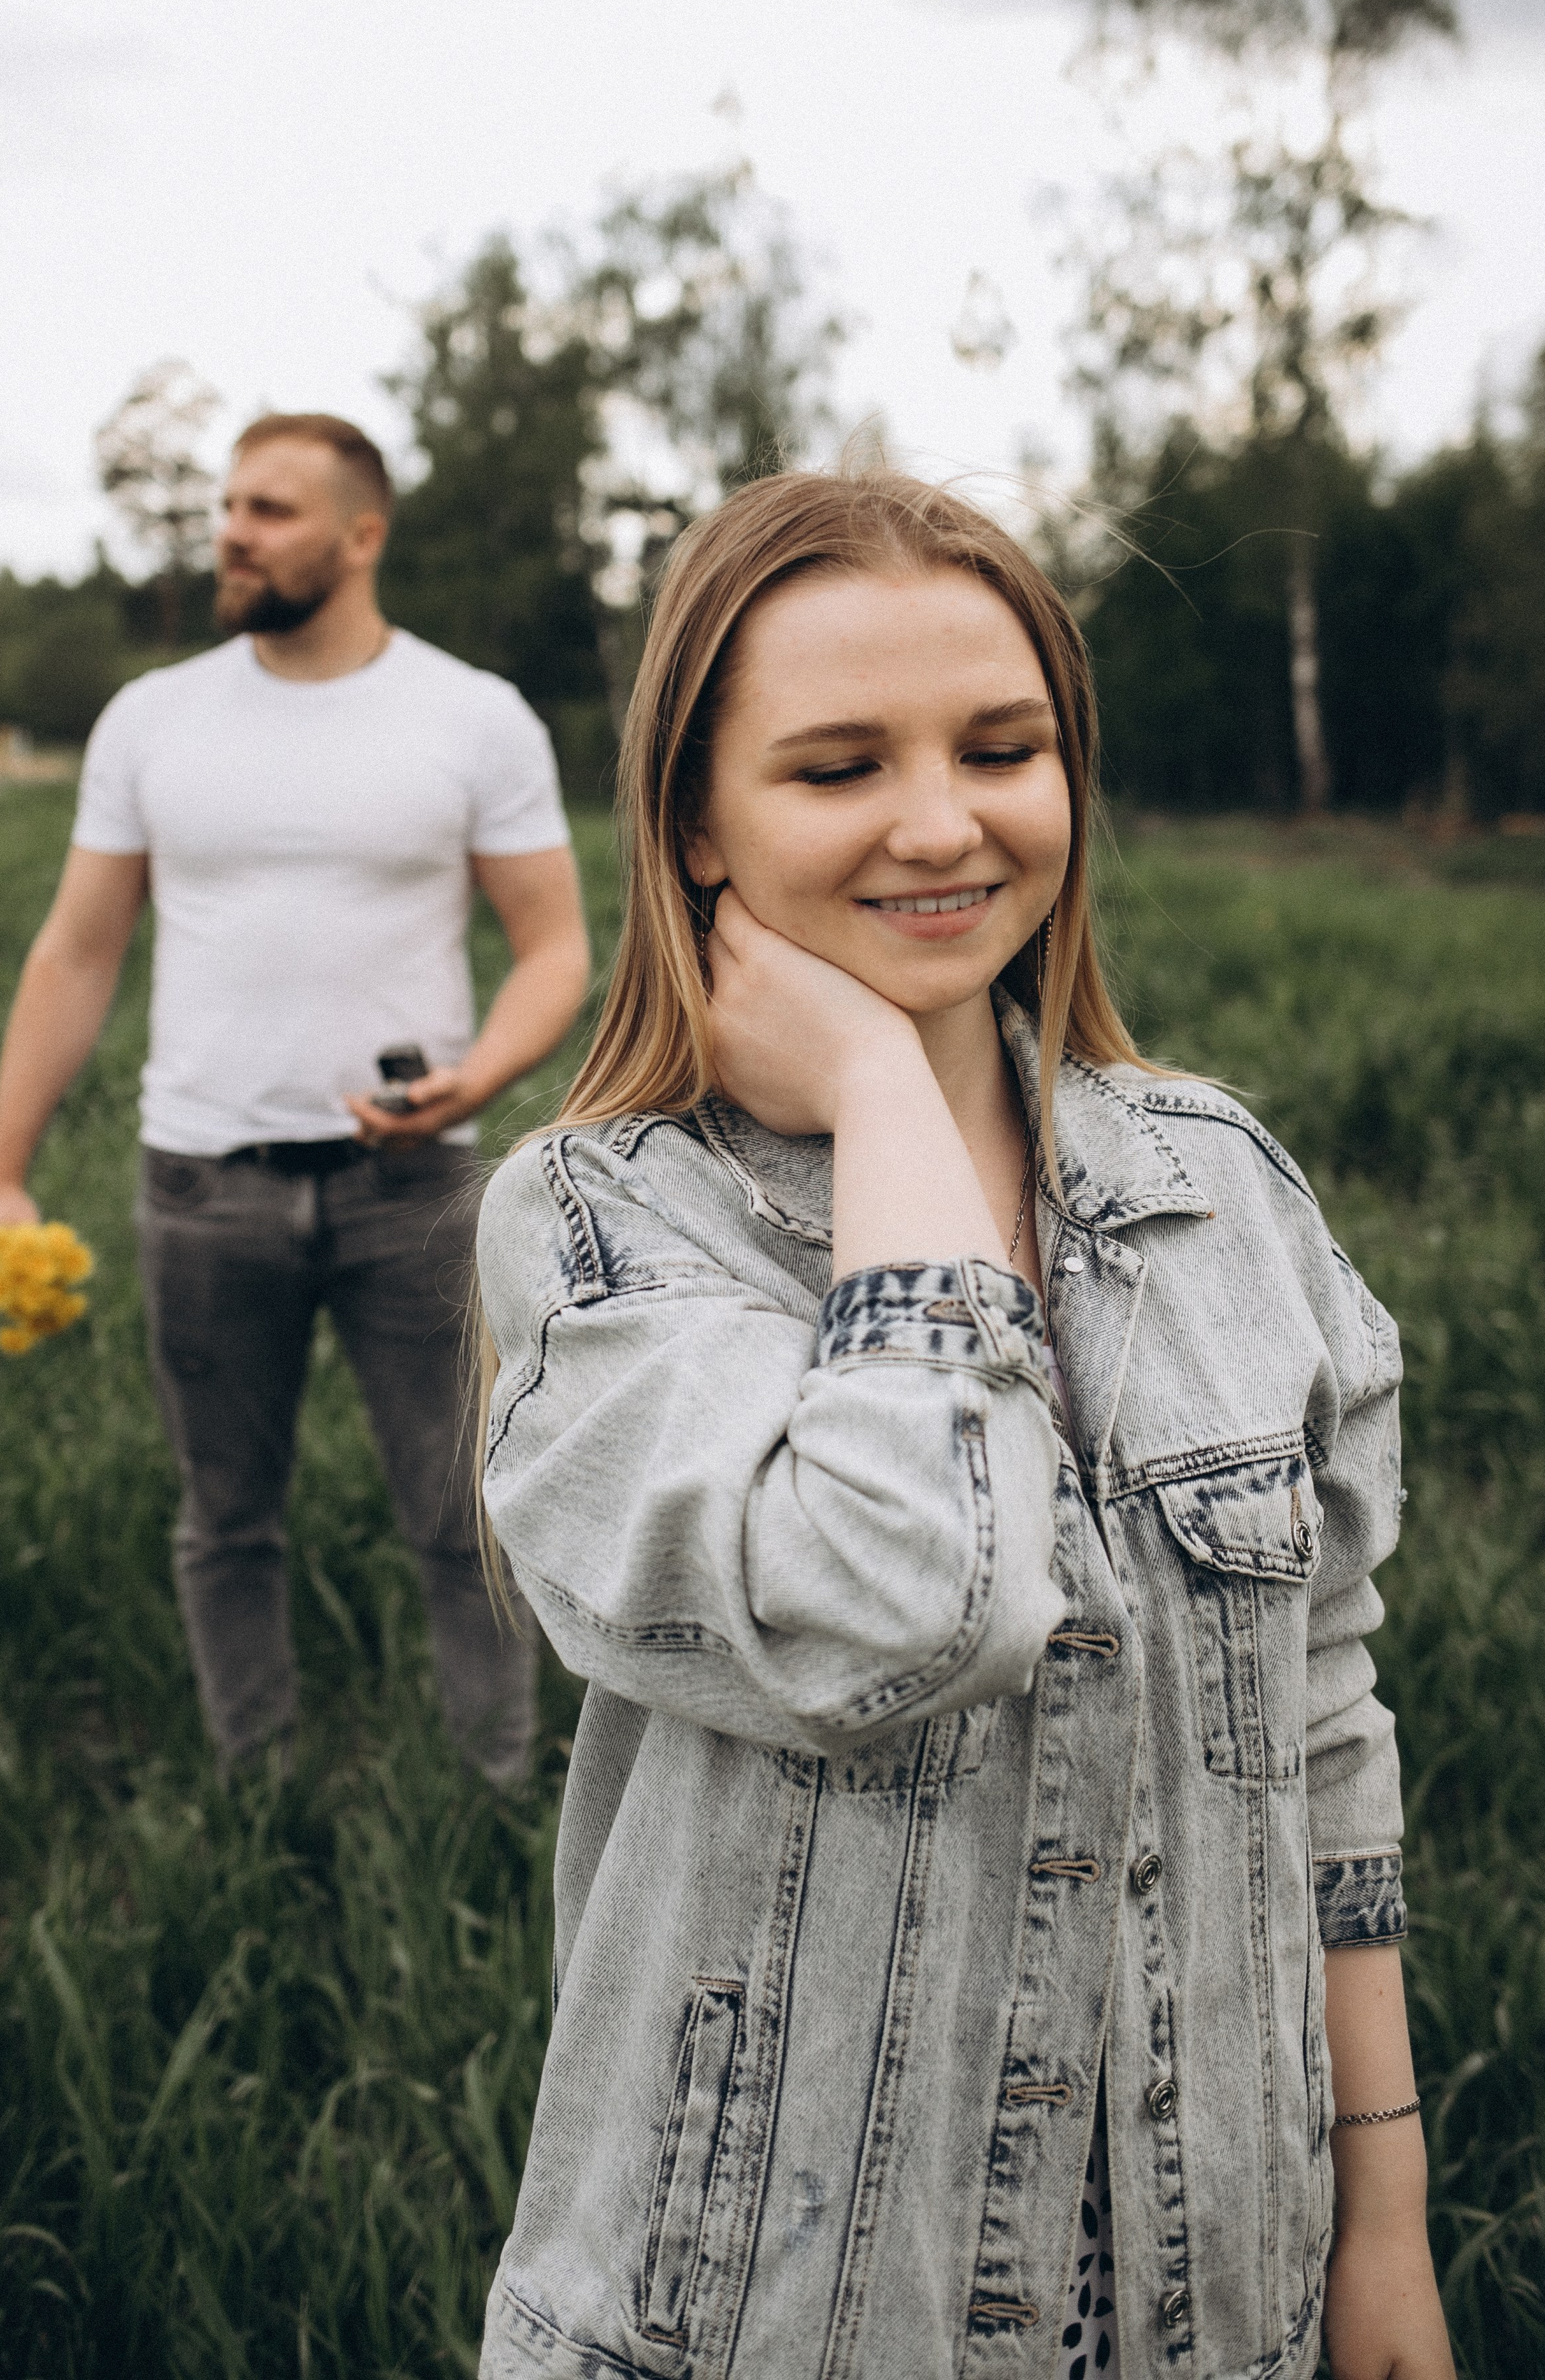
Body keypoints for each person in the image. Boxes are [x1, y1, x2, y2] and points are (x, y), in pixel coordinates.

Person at [473, 468, 1453, 2378]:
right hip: (795, 2323)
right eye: (838, 769)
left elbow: (1323, 1737)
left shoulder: (1222, 1193)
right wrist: (881, 1097)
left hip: (1217, 2292)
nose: (944, 822)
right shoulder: (608, 1225)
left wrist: (1386, 2221)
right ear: (693, 824)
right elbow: (906, 1603)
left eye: (1002, 748)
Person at [0, 411, 590, 1786]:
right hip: (201, 1183)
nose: (232, 532)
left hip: (415, 1190)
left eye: (270, 510)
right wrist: (4, 1173)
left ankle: (495, 1789)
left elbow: (554, 947)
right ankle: (260, 1792)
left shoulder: (473, 715)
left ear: (363, 537)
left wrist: (479, 1076)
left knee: (461, 1507)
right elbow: (77, 952)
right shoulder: (155, 717)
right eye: (230, 505)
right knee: (225, 1517)